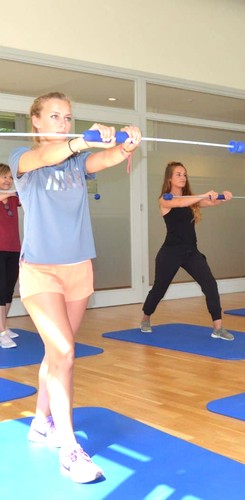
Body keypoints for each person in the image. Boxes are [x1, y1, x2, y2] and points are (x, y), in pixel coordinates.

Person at [9, 91, 141, 483]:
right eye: (54, 116)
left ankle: (39, 421)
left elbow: (106, 158)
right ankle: (69, 449)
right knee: (65, 350)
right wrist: (82, 139)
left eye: (67, 118)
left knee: (56, 353)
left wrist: (126, 142)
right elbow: (47, 156)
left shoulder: (78, 162)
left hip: (79, 268)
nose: (62, 123)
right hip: (40, 272)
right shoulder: (22, 159)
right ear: (35, 121)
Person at [140, 161, 234, 341]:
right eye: (178, 174)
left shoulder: (192, 199)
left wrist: (224, 197)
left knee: (210, 284)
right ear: (169, 178)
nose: (183, 177)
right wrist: (203, 195)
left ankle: (218, 328)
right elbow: (182, 202)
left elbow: (209, 202)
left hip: (191, 252)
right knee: (159, 288)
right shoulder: (165, 199)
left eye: (184, 174)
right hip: (170, 252)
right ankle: (145, 318)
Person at [0, 163, 21, 348]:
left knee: (8, 291)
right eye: (4, 176)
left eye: (10, 177)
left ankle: (3, 327)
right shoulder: (7, 196)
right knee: (0, 291)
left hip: (13, 249)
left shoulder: (13, 199)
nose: (7, 180)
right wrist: (16, 190)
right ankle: (1, 332)